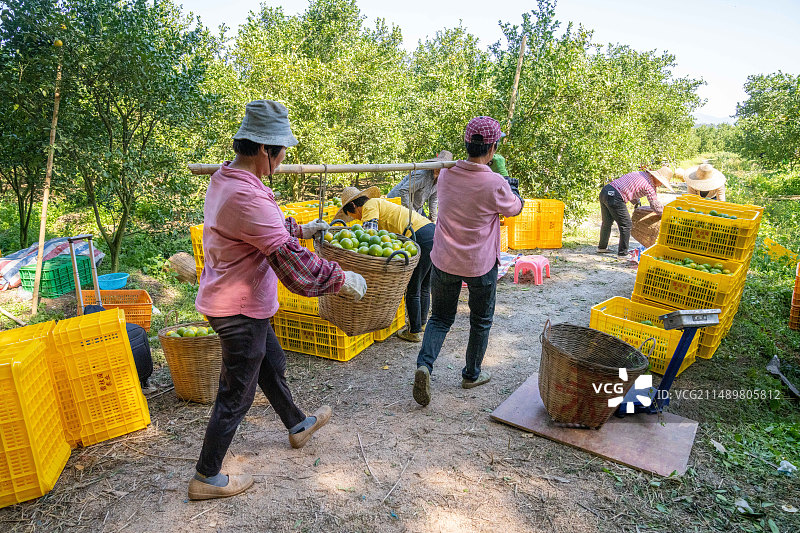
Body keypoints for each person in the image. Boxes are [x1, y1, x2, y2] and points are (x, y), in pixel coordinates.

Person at [190, 100, 367, 501]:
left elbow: (264, 228)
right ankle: (206, 475)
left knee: (271, 364)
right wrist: (340, 278)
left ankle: (296, 424)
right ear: (265, 150)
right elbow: (291, 264)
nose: (284, 158)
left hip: (241, 300)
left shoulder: (228, 178)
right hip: (237, 309)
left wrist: (303, 228)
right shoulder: (246, 196)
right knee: (237, 392)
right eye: (281, 151)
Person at [412, 116, 524, 407]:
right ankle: (471, 374)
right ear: (493, 147)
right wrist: (511, 183)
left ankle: (425, 365)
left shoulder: (447, 174)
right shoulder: (494, 182)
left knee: (440, 317)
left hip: (445, 259)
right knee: (481, 320)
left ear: (466, 143)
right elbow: (515, 208)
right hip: (480, 264)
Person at [335, 187, 435, 342]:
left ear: (354, 206)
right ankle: (421, 324)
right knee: (424, 284)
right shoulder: (379, 204)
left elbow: (370, 235)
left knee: (412, 287)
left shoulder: (370, 205)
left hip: (419, 235)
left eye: (353, 216)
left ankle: (414, 331)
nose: (356, 219)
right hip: (431, 231)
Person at [597, 166, 674, 257]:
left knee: (607, 222)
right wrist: (666, 214)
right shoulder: (649, 186)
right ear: (656, 178)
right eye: (661, 182)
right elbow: (655, 205)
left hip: (606, 191)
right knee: (626, 224)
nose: (661, 185)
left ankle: (602, 247)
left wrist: (636, 201)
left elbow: (630, 188)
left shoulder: (640, 174)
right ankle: (623, 253)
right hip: (615, 197)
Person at [386, 150, 453, 221]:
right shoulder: (423, 175)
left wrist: (433, 218)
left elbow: (433, 199)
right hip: (398, 203)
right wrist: (414, 215)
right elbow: (403, 191)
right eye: (439, 166)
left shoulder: (440, 179)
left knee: (428, 227)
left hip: (415, 207)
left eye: (443, 167)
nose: (439, 169)